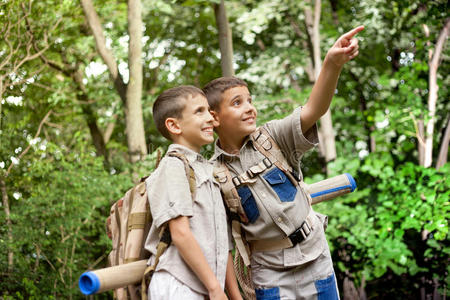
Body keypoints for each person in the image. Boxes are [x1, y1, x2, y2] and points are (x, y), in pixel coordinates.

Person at [203, 26, 364, 299]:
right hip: (269, 270)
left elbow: (315, 108)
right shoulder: (213, 174)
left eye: (250, 100)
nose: (250, 107)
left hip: (315, 255)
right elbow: (221, 244)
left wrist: (331, 64)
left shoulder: (273, 137)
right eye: (237, 103)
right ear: (214, 117)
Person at [144, 85, 242, 300]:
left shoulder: (206, 169)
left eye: (209, 110)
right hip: (179, 285)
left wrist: (234, 295)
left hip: (206, 288)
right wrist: (215, 288)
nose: (211, 118)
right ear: (174, 125)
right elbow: (180, 234)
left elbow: (220, 245)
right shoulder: (173, 166)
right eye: (199, 112)